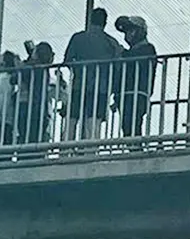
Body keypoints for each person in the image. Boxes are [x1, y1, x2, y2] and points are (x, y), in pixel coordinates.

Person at [63, 8, 122, 140]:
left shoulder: (78, 38)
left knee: (71, 119)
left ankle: (65, 151)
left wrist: (79, 69)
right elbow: (118, 66)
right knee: (94, 121)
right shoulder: (111, 42)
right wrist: (112, 87)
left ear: (90, 20)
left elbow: (67, 60)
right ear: (105, 22)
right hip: (100, 88)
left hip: (79, 85)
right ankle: (91, 152)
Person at [112, 15, 158, 137]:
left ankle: (137, 151)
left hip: (138, 95)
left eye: (131, 30)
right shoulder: (130, 52)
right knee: (127, 128)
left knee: (132, 126)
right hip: (125, 95)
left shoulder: (148, 49)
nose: (128, 35)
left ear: (140, 31)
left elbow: (134, 59)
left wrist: (122, 53)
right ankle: (135, 150)